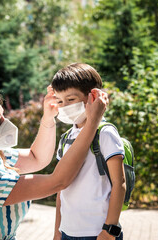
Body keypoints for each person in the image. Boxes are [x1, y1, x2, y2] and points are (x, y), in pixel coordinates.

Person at [0, 84, 108, 239]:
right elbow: (58, 181)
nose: (6, 124)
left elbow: (36, 158)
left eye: (3, 116)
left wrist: (48, 117)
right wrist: (92, 122)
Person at [51, 63, 126, 240]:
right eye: (60, 101)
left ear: (92, 96)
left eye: (70, 100)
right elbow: (61, 189)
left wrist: (109, 229)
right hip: (67, 232)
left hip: (98, 232)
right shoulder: (66, 137)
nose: (64, 106)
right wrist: (57, 230)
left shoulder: (105, 133)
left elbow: (120, 183)